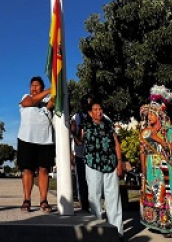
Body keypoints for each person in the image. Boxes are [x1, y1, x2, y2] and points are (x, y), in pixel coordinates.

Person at [138, 85, 172, 239]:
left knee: (171, 194)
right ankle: (162, 224)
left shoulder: (169, 130)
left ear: (159, 115)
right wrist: (143, 169)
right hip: (151, 166)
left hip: (167, 167)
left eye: (152, 114)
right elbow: (142, 151)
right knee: (155, 195)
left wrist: (157, 138)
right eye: (148, 115)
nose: (149, 117)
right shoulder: (144, 132)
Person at [77, 96, 124, 239]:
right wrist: (74, 133)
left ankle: (117, 232)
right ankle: (97, 231)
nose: (98, 112)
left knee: (113, 198)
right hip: (93, 164)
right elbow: (79, 142)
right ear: (91, 112)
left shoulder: (109, 125)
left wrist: (119, 162)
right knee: (94, 197)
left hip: (110, 163)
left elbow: (116, 144)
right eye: (95, 110)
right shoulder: (85, 125)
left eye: (100, 109)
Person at [17, 76, 55, 213]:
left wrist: (54, 91)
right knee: (28, 170)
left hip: (45, 140)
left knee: (44, 170)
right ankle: (26, 200)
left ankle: (43, 200)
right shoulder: (26, 97)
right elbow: (30, 101)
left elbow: (51, 104)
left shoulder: (46, 101)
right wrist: (49, 90)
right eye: (32, 85)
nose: (34, 87)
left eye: (37, 85)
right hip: (26, 139)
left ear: (42, 87)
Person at [70, 94, 92, 212]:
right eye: (85, 103)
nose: (87, 106)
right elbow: (71, 137)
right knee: (81, 180)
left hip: (94, 154)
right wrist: (71, 153)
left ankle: (93, 203)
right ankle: (83, 203)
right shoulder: (76, 117)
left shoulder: (97, 115)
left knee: (93, 181)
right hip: (80, 154)